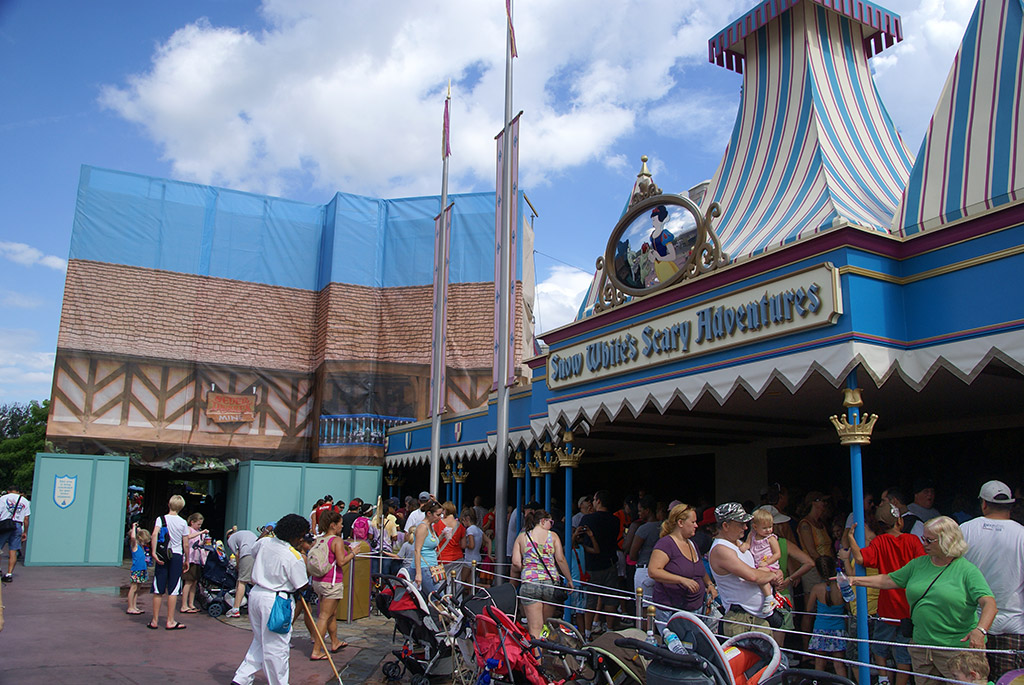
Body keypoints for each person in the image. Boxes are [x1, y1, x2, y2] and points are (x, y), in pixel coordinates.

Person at [850, 516, 996, 685]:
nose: (924, 543)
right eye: (923, 538)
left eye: (929, 540)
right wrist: (853, 580)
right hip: (922, 649)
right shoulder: (918, 564)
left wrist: (980, 630)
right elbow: (888, 580)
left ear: (946, 541)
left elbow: (989, 603)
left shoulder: (967, 570)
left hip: (957, 651)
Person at [845, 501, 924, 685]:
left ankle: (882, 678)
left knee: (879, 648)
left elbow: (860, 558)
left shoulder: (880, 542)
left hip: (887, 606)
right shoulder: (912, 540)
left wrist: (851, 538)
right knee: (904, 655)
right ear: (899, 521)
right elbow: (923, 565)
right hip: (909, 607)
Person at [231, 513, 313, 685]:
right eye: (302, 535)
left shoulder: (264, 542)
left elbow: (253, 551)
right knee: (277, 647)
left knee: (261, 640)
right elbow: (302, 585)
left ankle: (241, 678)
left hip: (256, 595)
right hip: (277, 600)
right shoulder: (293, 556)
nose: (302, 539)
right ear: (295, 535)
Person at [961, 480, 1024, 681]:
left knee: (973, 679)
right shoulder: (1022, 534)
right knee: (1009, 680)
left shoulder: (965, 530)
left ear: (984, 504)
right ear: (1011, 506)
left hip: (972, 623)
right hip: (1013, 625)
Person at [709, 502, 782, 637]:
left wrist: (777, 572)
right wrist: (772, 575)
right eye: (740, 524)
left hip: (757, 617)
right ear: (725, 525)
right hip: (741, 620)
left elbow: (760, 567)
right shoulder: (721, 549)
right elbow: (752, 576)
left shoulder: (741, 544)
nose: (745, 527)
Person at [648, 502, 716, 626]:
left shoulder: (692, 544)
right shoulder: (665, 544)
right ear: (680, 523)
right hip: (671, 609)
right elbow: (654, 571)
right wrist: (682, 580)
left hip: (695, 609)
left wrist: (709, 584)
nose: (696, 525)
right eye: (693, 522)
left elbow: (700, 570)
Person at [511, 508, 573, 637]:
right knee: (544, 626)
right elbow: (560, 559)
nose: (551, 524)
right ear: (543, 521)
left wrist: (528, 569)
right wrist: (569, 579)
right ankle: (543, 654)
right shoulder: (553, 536)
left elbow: (516, 563)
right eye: (551, 522)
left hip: (529, 583)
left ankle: (535, 657)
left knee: (534, 628)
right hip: (550, 583)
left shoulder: (522, 537)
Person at [309, 510, 356, 660]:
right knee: (324, 616)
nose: (342, 526)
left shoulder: (319, 540)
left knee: (331, 613)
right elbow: (341, 561)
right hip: (332, 582)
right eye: (340, 524)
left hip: (318, 581)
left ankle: (334, 641)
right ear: (333, 525)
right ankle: (317, 650)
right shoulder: (336, 540)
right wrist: (353, 553)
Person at [579, 490, 620, 639]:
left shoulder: (588, 519)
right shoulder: (615, 520)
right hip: (610, 561)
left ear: (599, 501)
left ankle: (588, 632)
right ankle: (609, 629)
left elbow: (580, 538)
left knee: (591, 599)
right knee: (611, 598)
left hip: (592, 563)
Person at [148, 494, 191, 630]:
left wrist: (153, 552)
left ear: (169, 504)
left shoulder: (161, 519)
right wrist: (187, 559)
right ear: (181, 507)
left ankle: (154, 620)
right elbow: (186, 544)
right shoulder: (183, 522)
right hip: (177, 555)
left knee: (158, 588)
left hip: (162, 554)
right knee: (173, 588)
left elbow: (155, 534)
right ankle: (170, 620)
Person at [804, 555, 849, 677]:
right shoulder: (841, 587)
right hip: (838, 629)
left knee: (819, 663)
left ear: (818, 572)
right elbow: (848, 607)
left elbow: (808, 610)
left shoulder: (816, 588)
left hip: (820, 629)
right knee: (839, 664)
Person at [744, 507, 782, 615]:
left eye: (770, 527)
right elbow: (746, 545)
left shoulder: (771, 538)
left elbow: (777, 554)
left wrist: (767, 562)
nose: (769, 530)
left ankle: (769, 598)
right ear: (755, 527)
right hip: (758, 565)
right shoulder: (752, 536)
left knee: (761, 576)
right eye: (765, 528)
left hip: (769, 565)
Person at [628, 495, 661, 602]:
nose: (639, 513)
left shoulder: (643, 529)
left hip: (644, 569)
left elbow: (632, 554)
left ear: (647, 510)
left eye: (640, 511)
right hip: (662, 570)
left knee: (643, 607)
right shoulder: (665, 527)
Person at [797, 491, 833, 588]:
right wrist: (824, 567)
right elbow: (811, 551)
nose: (825, 504)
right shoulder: (805, 524)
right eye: (823, 501)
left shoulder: (821, 523)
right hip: (814, 568)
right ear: (813, 503)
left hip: (826, 567)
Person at [225, 524, 258, 618]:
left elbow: (237, 555)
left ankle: (235, 609)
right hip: (257, 553)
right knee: (254, 581)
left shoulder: (230, 539)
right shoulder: (244, 533)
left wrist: (238, 567)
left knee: (241, 581)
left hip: (247, 554)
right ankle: (255, 606)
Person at [179, 513, 210, 614]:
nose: (199, 526)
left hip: (197, 559)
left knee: (194, 582)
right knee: (188, 581)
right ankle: (184, 605)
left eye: (201, 524)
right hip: (190, 559)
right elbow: (187, 537)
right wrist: (201, 532)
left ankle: (191, 603)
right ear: (192, 522)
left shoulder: (198, 532)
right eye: (198, 524)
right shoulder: (188, 529)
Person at [0, 485, 30, 582]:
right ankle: (9, 574)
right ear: (18, 491)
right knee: (13, 550)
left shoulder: (3, 498)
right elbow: (26, 519)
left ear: (8, 491)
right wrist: (25, 531)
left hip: (4, 524)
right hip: (18, 525)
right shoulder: (25, 501)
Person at [414, 500, 444, 594]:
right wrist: (418, 574)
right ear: (429, 513)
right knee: (438, 598)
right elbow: (417, 550)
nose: (440, 518)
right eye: (438, 515)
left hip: (431, 567)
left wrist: (442, 536)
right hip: (424, 568)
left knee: (434, 598)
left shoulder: (430, 526)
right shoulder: (423, 527)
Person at [127, 522, 151, 615]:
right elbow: (133, 538)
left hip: (142, 569)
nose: (145, 543)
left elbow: (140, 534)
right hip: (136, 569)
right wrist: (133, 527)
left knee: (137, 589)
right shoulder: (135, 545)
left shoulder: (141, 546)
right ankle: (130, 607)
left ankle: (134, 606)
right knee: (133, 588)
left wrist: (139, 530)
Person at [434, 501, 465, 566]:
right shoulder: (461, 526)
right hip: (457, 558)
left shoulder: (438, 524)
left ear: (445, 511)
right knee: (456, 576)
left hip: (442, 557)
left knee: (442, 576)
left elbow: (434, 540)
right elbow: (463, 545)